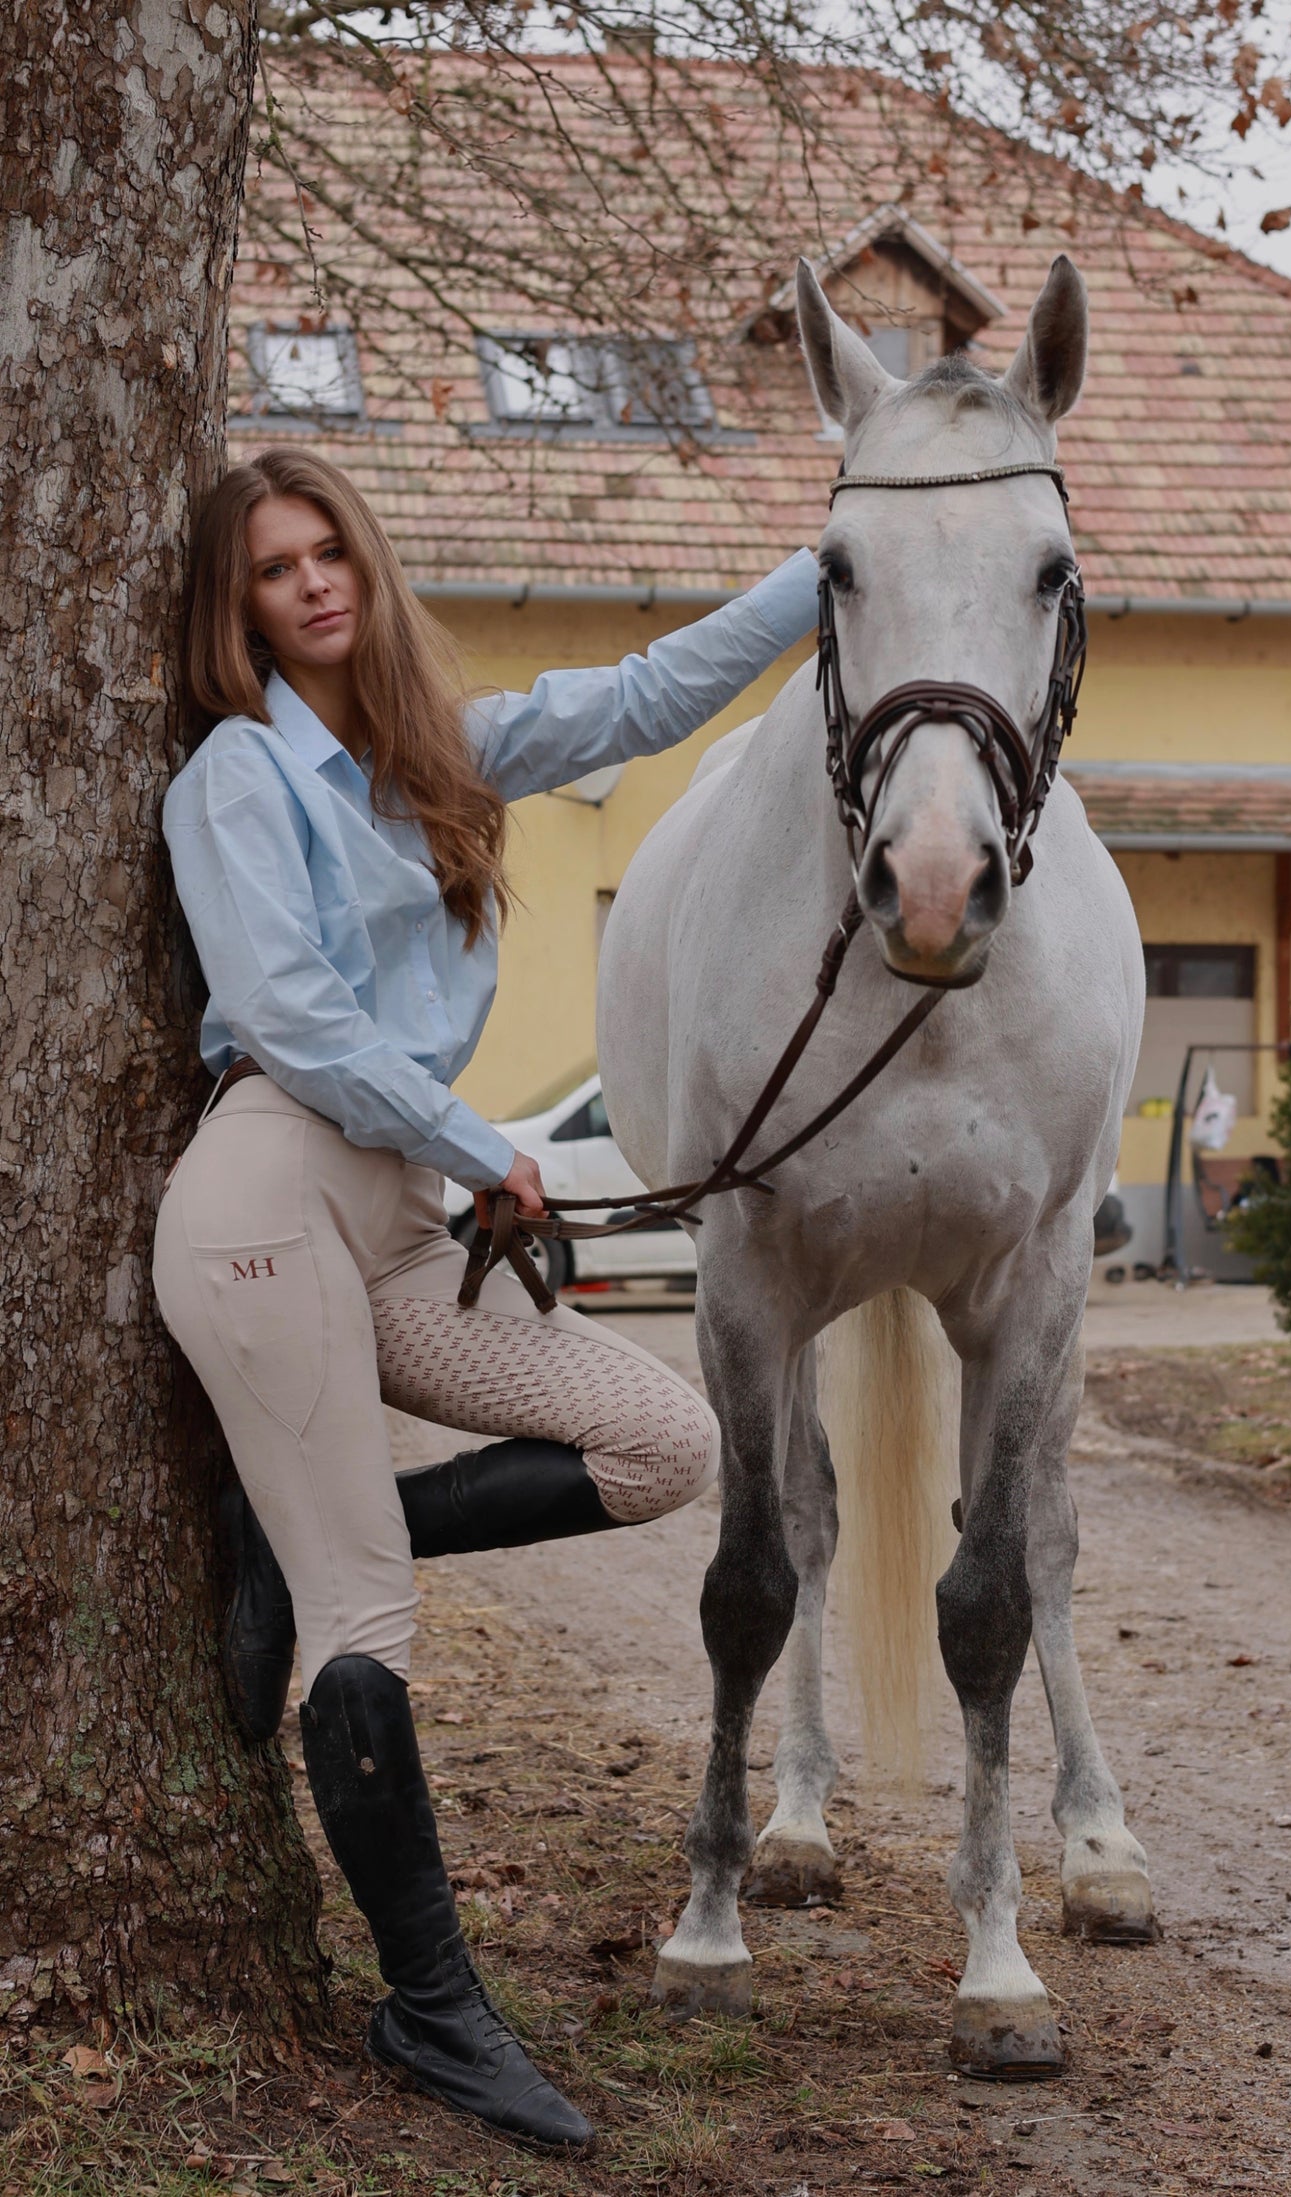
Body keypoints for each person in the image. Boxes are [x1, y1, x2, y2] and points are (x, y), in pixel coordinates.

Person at [152, 447, 817, 2151]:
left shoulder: (434, 754)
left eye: (326, 554)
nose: (310, 585)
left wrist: (839, 566)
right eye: (269, 573)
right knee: (365, 1625)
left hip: (390, 1229)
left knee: (668, 1440)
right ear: (239, 618)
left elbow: (645, 696)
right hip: (271, 1200)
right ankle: (433, 2011)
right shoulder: (240, 772)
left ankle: (291, 1528)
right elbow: (293, 1014)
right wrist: (483, 1142)